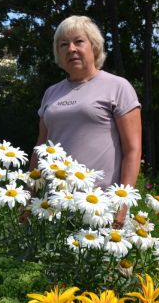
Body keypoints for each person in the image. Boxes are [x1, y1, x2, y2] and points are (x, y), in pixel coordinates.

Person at [33, 15, 142, 228]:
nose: (71, 49)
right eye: (63, 44)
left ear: (94, 46)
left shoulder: (118, 87)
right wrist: (29, 197)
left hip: (99, 207)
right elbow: (40, 147)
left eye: (78, 41)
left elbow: (133, 150)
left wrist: (121, 206)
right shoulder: (51, 93)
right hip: (54, 204)